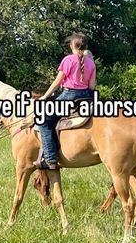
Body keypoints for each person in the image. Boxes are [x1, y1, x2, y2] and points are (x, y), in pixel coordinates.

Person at [34, 33, 96, 170]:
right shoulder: (91, 62)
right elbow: (92, 86)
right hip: (86, 96)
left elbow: (57, 82)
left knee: (43, 120)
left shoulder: (68, 60)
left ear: (72, 45)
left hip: (69, 95)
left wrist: (45, 96)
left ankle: (50, 158)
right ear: (85, 46)